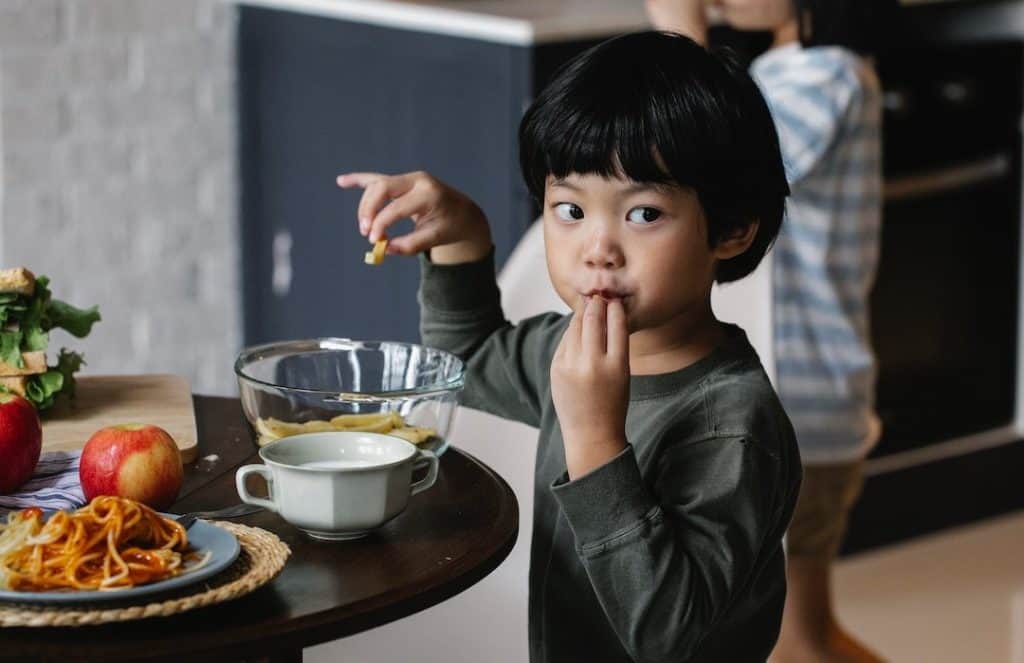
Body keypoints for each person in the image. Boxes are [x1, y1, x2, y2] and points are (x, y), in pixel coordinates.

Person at [338, 31, 800, 662]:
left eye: (643, 214)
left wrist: (595, 439)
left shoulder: (732, 425)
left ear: (734, 228)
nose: (597, 248)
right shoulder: (571, 350)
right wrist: (463, 240)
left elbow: (667, 633)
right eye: (569, 209)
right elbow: (469, 365)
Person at [644, 2, 895, 662]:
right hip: (806, 399)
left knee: (795, 643)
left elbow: (715, 171)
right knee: (803, 635)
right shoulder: (792, 72)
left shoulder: (828, 75)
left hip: (800, 404)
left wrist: (682, 43)